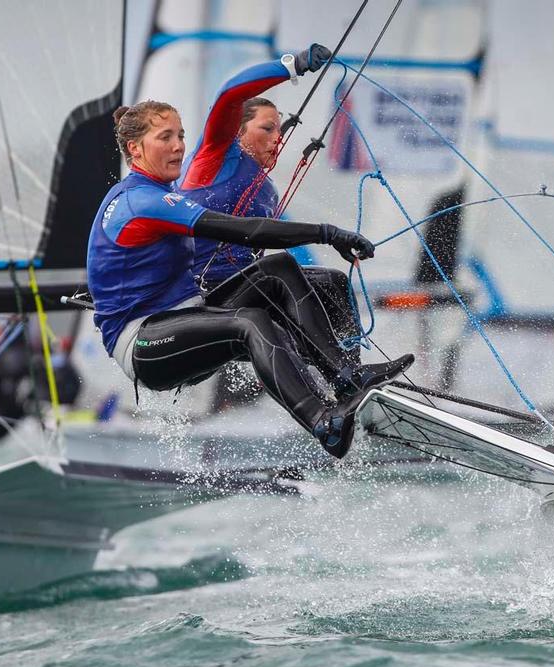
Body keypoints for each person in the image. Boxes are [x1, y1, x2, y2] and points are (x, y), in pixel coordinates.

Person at [86, 94, 413, 458]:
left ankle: (347, 377)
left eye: (180, 135)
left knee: (279, 268)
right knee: (251, 322)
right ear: (135, 148)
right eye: (165, 138)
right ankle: (323, 422)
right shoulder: (140, 200)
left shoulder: (158, 195)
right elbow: (244, 230)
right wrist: (327, 232)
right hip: (144, 344)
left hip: (185, 316)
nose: (179, 146)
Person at [178, 46, 362, 366]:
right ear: (237, 130)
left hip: (245, 290)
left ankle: (354, 376)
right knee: (282, 269)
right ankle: (338, 369)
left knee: (334, 283)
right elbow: (227, 95)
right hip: (203, 298)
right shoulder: (213, 159)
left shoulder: (266, 189)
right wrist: (294, 65)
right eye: (267, 128)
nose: (278, 137)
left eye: (279, 129)